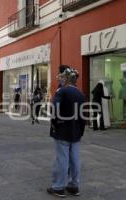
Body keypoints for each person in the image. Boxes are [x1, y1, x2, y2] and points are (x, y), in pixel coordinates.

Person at [47, 66, 86, 198]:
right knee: (75, 159)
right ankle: (73, 186)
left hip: (62, 130)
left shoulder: (62, 91)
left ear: (67, 79)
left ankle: (58, 187)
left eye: (63, 77)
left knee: (62, 159)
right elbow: (83, 116)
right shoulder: (81, 94)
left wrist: (55, 123)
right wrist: (80, 132)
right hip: (76, 132)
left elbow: (54, 110)